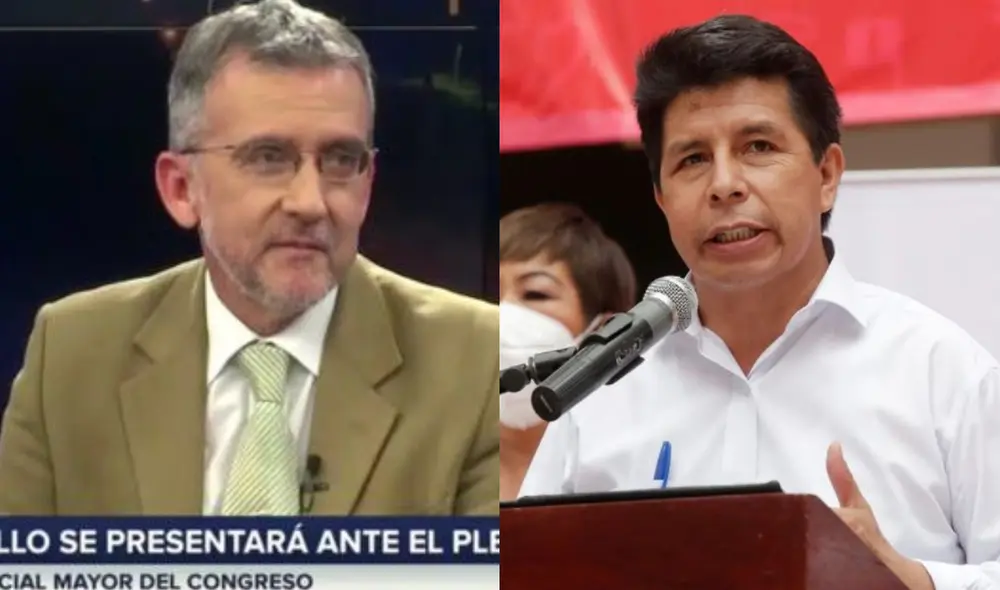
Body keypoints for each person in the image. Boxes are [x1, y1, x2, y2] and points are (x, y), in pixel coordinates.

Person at [519, 15, 1000, 589]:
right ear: (661, 198)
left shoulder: (940, 371)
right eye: (693, 159)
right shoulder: (604, 388)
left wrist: (917, 581)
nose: (725, 184)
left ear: (827, 174)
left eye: (758, 146)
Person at [0, 0, 498, 516]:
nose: (310, 202)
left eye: (340, 160)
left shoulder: (474, 360)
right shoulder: (71, 354)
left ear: (368, 183)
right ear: (180, 189)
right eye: (268, 158)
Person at [499, 202, 635, 500]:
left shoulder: (634, 472)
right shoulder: (437, 464)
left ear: (604, 332)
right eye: (489, 295)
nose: (502, 314)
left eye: (535, 293)